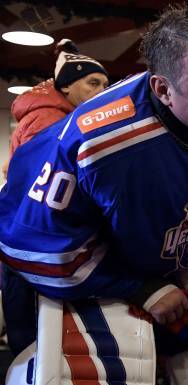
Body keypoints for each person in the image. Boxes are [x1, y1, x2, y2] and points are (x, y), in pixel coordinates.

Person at [0, 3, 188, 357]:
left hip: (157, 263)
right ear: (162, 90)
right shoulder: (91, 141)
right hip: (67, 275)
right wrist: (139, 287)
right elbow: (35, 242)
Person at [1, 39, 108, 354]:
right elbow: (44, 188)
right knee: (38, 346)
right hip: (35, 243)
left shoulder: (63, 116)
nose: (102, 90)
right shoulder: (51, 120)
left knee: (35, 342)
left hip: (26, 241)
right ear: (66, 88)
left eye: (105, 83)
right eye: (92, 83)